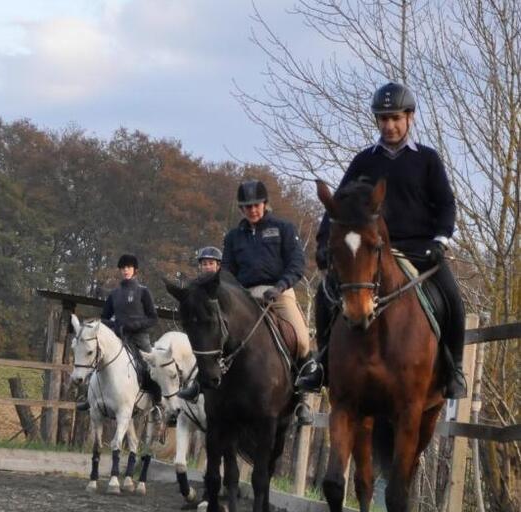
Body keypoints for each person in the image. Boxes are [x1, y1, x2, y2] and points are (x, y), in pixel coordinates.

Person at [298, 81, 467, 399]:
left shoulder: (427, 159)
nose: (389, 125)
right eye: (383, 119)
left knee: (453, 299)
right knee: (325, 295)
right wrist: (324, 242)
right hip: (369, 253)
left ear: (410, 118)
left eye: (395, 118)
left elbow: (446, 203)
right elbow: (338, 206)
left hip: (419, 251)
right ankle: (322, 364)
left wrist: (441, 240)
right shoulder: (364, 162)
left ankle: (454, 369)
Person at [180, 180, 319, 425]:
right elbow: (229, 270)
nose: (252, 210)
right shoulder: (234, 236)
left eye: (256, 205)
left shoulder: (283, 228)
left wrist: (280, 286)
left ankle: (301, 397)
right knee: (213, 331)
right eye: (247, 207)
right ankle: (198, 381)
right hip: (242, 295)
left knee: (301, 337)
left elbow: (297, 264)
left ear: (265, 204)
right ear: (242, 209)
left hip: (278, 291)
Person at [75, 254, 161, 412]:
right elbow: (104, 319)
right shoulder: (114, 294)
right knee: (98, 363)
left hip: (140, 338)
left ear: (135, 270)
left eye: (128, 267)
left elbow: (153, 318)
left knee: (151, 369)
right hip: (119, 336)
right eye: (123, 268)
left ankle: (157, 404)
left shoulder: (143, 292)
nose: (125, 270)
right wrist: (116, 324)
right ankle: (90, 398)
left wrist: (135, 325)